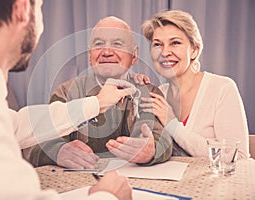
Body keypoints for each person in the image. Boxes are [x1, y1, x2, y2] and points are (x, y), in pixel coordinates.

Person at [0, 0, 135, 199]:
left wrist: (96, 104)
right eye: (40, 8)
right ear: (22, 9)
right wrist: (107, 196)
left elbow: (16, 124)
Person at [22, 16, 172, 169]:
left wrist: (152, 150)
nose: (107, 52)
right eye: (99, 44)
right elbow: (33, 143)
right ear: (89, 55)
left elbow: (162, 138)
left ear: (134, 55)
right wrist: (57, 151)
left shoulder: (148, 91)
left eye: (117, 44)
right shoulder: (66, 92)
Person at [140, 10, 249, 159]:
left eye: (175, 43)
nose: (164, 52)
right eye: (157, 45)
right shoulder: (158, 94)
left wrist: (173, 125)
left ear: (194, 50)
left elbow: (238, 157)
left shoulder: (222, 88)